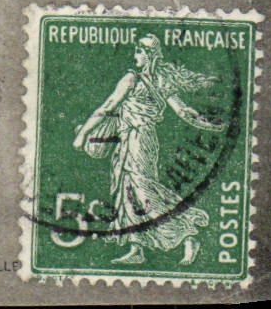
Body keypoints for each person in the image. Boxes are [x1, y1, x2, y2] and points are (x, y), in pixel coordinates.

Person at [73, 34, 220, 266]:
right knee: (127, 190)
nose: (135, 56)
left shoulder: (133, 79)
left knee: (141, 190)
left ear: (149, 54)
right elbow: (183, 111)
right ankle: (137, 248)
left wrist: (83, 134)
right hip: (134, 140)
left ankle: (187, 235)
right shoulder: (162, 82)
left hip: (138, 140)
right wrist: (204, 122)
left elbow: (109, 106)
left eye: (139, 52)